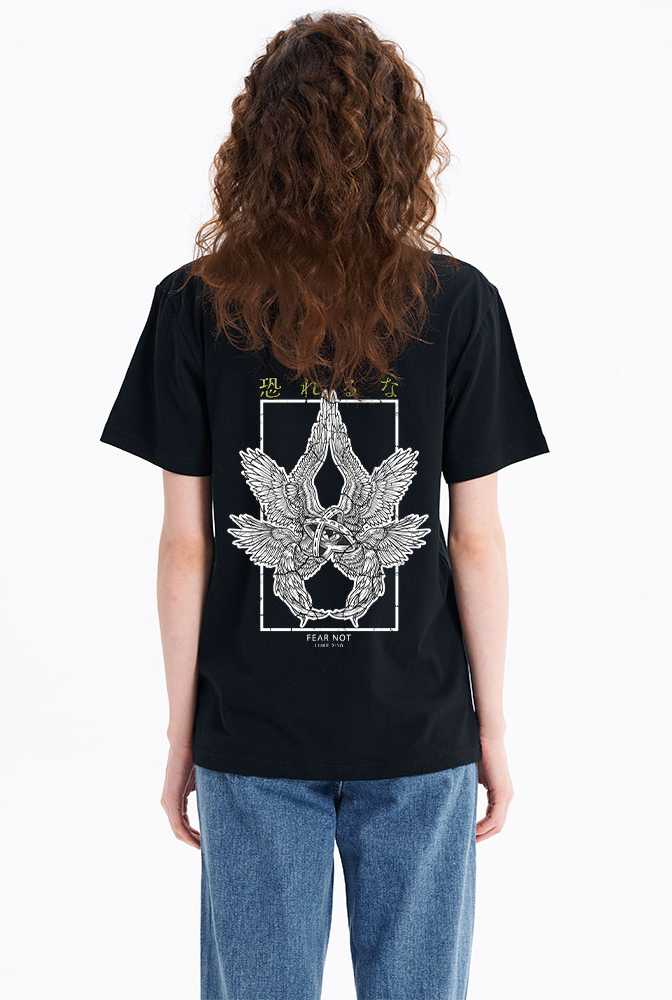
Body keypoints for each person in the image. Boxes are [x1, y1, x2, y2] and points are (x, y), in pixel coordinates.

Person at [99, 12, 549, 1000]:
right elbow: (475, 539)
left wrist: (181, 735)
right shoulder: (459, 305)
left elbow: (186, 546)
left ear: (254, 147)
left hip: (252, 734)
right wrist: (491, 729)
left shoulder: (193, 305)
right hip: (419, 731)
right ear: (403, 145)